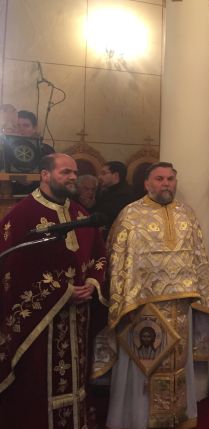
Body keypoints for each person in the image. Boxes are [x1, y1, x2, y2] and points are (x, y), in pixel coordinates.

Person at [102, 162, 209, 429]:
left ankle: (177, 416)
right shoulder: (130, 215)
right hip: (142, 307)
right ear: (146, 183)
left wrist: (202, 296)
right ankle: (137, 419)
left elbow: (199, 259)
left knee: (178, 363)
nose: (166, 183)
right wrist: (124, 301)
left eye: (170, 178)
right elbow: (117, 261)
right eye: (159, 178)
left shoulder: (187, 214)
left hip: (181, 306)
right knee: (144, 363)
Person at [0, 153, 107, 429]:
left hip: (78, 317)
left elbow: (99, 256)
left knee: (77, 375)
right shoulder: (22, 215)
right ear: (45, 175)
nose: (73, 177)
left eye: (75, 172)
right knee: (37, 379)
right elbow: (13, 270)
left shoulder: (81, 214)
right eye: (65, 172)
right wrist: (62, 292)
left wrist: (93, 282)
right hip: (41, 321)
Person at [93, 161, 134, 231]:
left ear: (116, 175)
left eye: (103, 173)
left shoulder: (124, 195)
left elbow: (110, 219)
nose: (99, 177)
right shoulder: (107, 191)